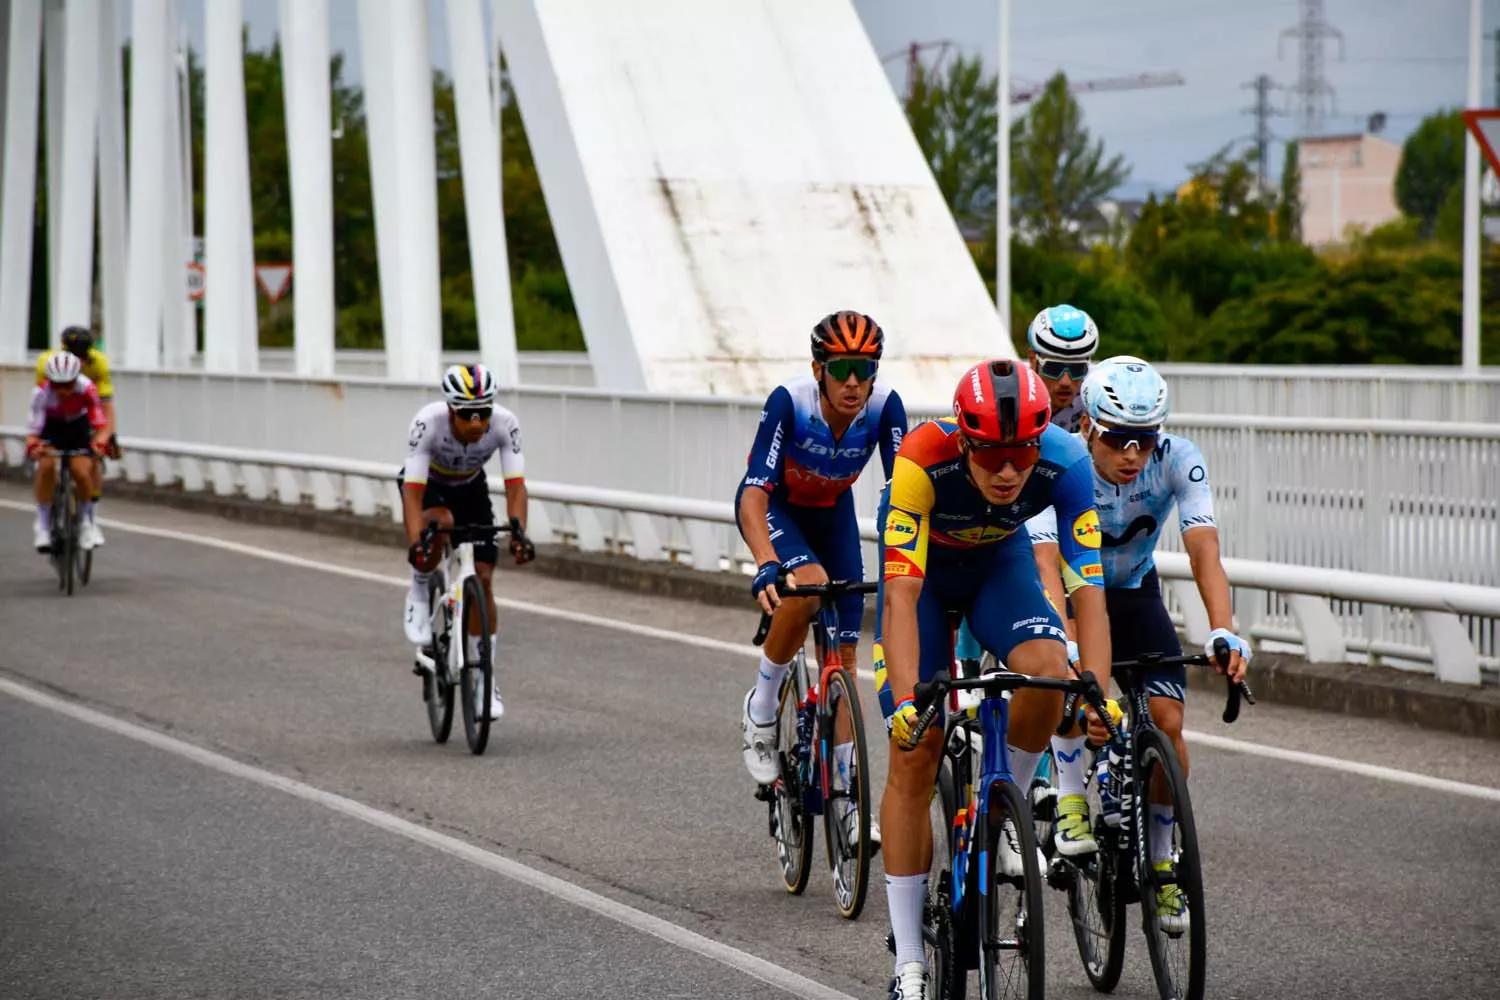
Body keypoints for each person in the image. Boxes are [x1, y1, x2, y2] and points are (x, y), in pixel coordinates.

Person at [875, 359, 1110, 1000]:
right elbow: (900, 595)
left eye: (1022, 454)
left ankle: (1007, 803)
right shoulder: (922, 459)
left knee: (1049, 673)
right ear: (964, 441)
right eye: (993, 456)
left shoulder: (1066, 461)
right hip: (922, 583)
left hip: (996, 570)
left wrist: (1101, 690)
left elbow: (1087, 586)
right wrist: (903, 702)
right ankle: (910, 965)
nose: (1009, 472)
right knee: (914, 750)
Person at [1025, 356, 1248, 932]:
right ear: (1090, 428)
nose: (1132, 455)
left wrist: (1221, 626)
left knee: (1168, 724)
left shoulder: (1179, 459)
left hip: (1135, 592)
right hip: (1073, 594)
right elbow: (1046, 564)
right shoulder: (1060, 460)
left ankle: (1161, 862)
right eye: (1119, 439)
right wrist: (1065, 640)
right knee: (1072, 686)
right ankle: (1071, 798)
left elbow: (1204, 550)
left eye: (1144, 441)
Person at [736, 310, 907, 844]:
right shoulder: (791, 401)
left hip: (833, 514)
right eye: (841, 369)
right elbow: (753, 494)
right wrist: (767, 561)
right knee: (807, 587)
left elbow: (905, 495)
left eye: (865, 367)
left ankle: (847, 797)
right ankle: (761, 708)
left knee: (845, 660)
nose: (854, 381)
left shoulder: (884, 408)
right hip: (780, 510)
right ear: (819, 369)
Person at [399, 363, 534, 722]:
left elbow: (516, 486)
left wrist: (519, 531)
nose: (477, 423)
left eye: (483, 413)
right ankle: (418, 590)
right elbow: (412, 495)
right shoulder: (428, 423)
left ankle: (484, 679)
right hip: (430, 486)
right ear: (451, 410)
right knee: (439, 526)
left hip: (470, 488)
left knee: (485, 579)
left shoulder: (505, 424)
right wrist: (417, 545)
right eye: (468, 415)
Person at [35, 325, 117, 546]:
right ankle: (43, 522)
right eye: (73, 354)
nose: (79, 360)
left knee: (92, 462)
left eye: (83, 355)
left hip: (86, 410)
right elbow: (41, 404)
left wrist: (107, 437)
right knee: (46, 464)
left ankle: (89, 518)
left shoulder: (98, 363)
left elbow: (106, 405)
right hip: (55, 416)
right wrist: (36, 440)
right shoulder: (47, 363)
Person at [1025, 304, 1099, 433]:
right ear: (1032, 359)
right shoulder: (1013, 400)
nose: (1066, 381)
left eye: (1077, 369)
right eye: (1053, 368)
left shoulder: (1095, 399)